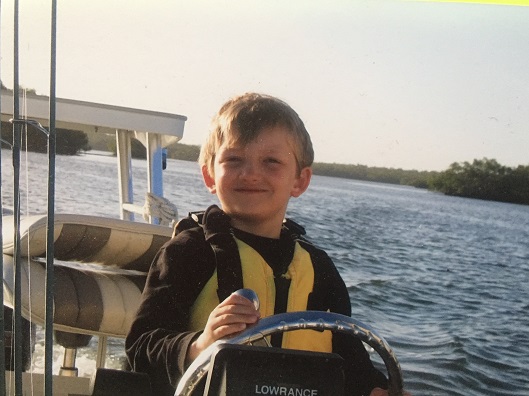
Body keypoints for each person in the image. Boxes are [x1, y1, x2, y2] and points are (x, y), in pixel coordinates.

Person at [126, 93, 393, 395]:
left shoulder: (319, 269)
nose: (251, 173)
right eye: (234, 159)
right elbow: (141, 348)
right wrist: (201, 344)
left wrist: (375, 389)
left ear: (299, 181)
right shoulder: (189, 252)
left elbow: (352, 360)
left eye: (271, 162)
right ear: (209, 175)